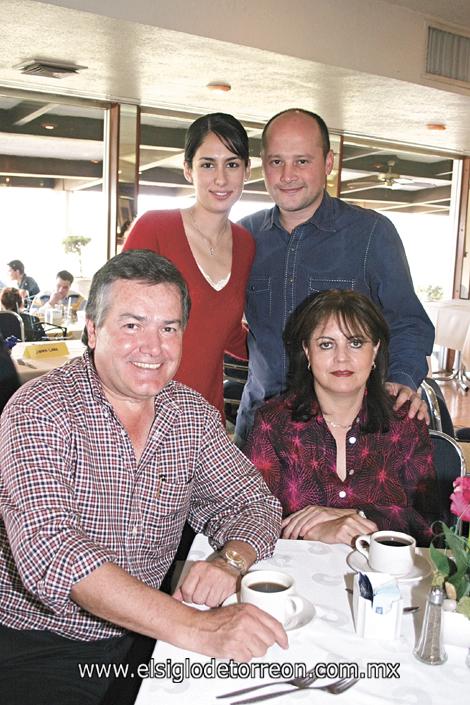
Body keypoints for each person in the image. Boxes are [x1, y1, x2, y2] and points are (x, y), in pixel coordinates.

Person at [0, 250, 285, 705]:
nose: (153, 348)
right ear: (93, 331)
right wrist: (195, 626)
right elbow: (52, 551)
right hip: (40, 645)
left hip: (146, 640)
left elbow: (255, 505)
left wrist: (230, 560)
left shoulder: (191, 415)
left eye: (168, 328)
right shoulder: (39, 409)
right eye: (132, 325)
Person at [235, 108, 434, 442]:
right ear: (262, 164)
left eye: (302, 161)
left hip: (344, 436)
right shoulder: (243, 237)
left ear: (328, 163)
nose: (287, 175)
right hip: (259, 433)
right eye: (276, 161)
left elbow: (409, 322)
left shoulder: (371, 233)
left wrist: (400, 378)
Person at [245, 290, 438, 547]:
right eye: (326, 344)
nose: (342, 357)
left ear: (375, 349)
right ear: (307, 351)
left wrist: (355, 517)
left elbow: (432, 524)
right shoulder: (272, 424)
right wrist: (312, 531)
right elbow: (248, 517)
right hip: (296, 580)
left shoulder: (405, 423)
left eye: (356, 343)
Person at [123, 112, 254, 422]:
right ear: (187, 169)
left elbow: (228, 331)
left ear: (247, 171)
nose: (221, 179)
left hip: (204, 419)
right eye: (207, 164)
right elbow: (114, 318)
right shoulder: (155, 228)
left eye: (232, 164)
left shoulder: (246, 243)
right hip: (142, 415)